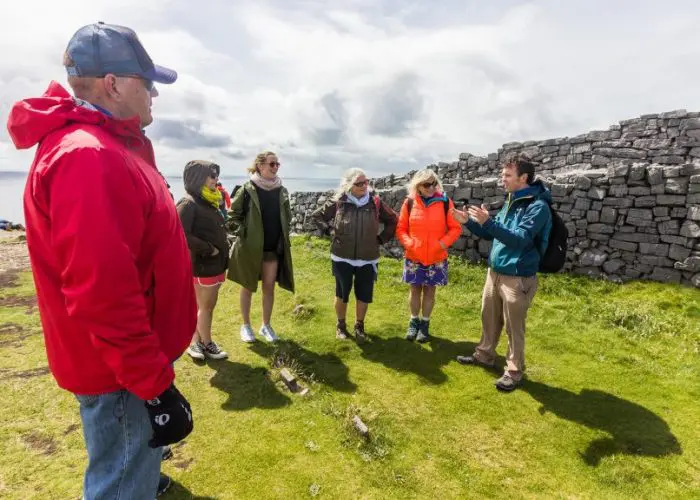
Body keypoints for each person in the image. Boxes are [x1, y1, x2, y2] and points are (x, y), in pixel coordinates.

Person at [6, 22, 195, 498]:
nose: (154, 94)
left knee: (130, 464)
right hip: (121, 375)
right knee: (120, 482)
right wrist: (154, 388)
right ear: (112, 84)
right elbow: (103, 292)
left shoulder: (107, 146)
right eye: (147, 82)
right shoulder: (89, 157)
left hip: (125, 365)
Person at [452, 153, 552, 392]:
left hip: (518, 277)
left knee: (513, 326)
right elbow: (493, 233)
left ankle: (514, 371)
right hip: (495, 273)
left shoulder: (538, 207)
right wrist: (469, 222)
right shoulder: (512, 200)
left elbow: (519, 240)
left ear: (523, 177)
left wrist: (488, 222)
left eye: (507, 175)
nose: (502, 179)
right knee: (488, 316)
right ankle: (484, 355)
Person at [312, 168, 397, 343]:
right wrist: (329, 231)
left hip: (368, 257)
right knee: (342, 293)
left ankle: (359, 326)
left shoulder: (375, 202)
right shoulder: (339, 201)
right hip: (342, 256)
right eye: (359, 183)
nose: (365, 186)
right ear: (350, 185)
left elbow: (393, 220)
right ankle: (341, 326)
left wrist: (381, 239)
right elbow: (317, 216)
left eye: (366, 182)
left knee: (364, 294)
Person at [227, 151, 295, 343]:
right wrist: (245, 234)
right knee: (247, 286)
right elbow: (233, 216)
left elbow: (287, 216)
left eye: (277, 164)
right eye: (272, 164)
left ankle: (266, 325)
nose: (275, 167)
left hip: (272, 249)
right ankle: (246, 326)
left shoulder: (281, 190)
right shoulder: (247, 189)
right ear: (260, 166)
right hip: (250, 248)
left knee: (269, 288)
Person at [396, 169, 462, 343]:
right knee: (415, 289)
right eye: (427, 184)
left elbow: (455, 228)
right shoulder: (409, 203)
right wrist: (410, 244)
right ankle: (413, 322)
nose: (431, 187)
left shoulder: (446, 202)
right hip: (414, 255)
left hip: (436, 256)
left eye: (433, 183)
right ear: (418, 185)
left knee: (430, 291)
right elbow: (401, 228)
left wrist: (441, 244)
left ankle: (424, 325)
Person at [177, 160, 230, 361]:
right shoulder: (189, 203)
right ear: (198, 178)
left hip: (213, 265)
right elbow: (181, 234)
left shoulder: (209, 200)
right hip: (202, 265)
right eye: (212, 175)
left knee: (204, 307)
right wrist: (209, 249)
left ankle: (196, 343)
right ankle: (207, 344)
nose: (216, 180)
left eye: (216, 175)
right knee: (205, 307)